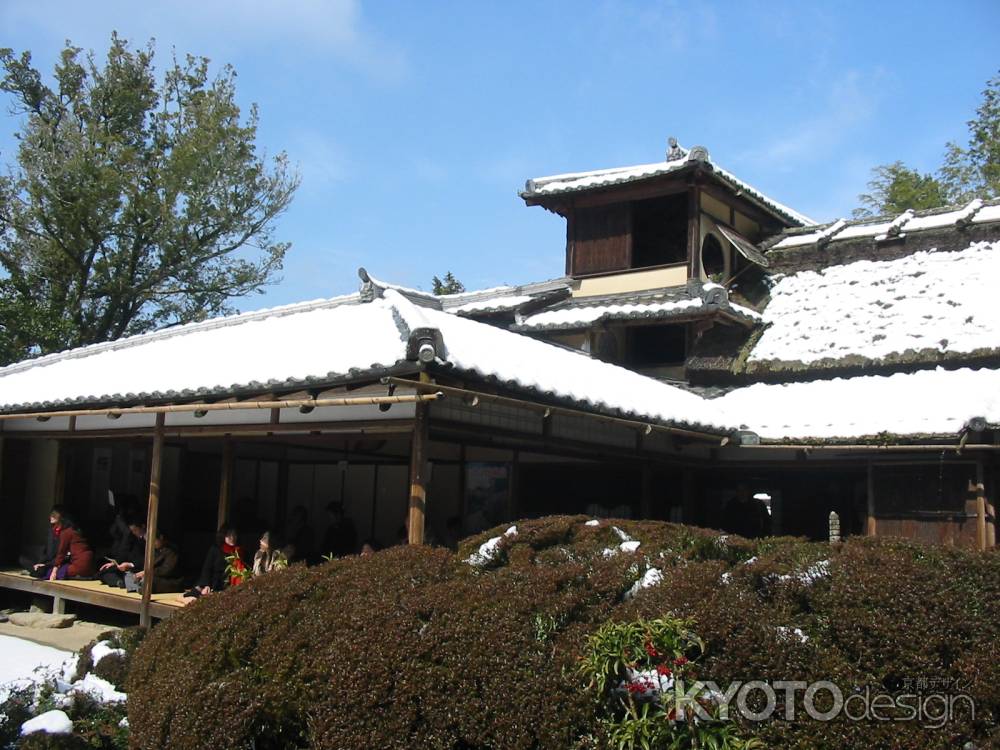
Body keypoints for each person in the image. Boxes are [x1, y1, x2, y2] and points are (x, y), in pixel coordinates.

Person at [181, 527, 245, 603]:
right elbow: (207, 568)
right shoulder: (215, 549)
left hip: (231, 584)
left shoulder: (240, 551)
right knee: (197, 595)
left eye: (234, 535)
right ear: (223, 536)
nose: (232, 538)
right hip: (214, 582)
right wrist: (206, 585)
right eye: (229, 535)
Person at [45, 512, 96, 580]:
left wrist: (54, 572)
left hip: (80, 564)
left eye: (56, 524)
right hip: (90, 564)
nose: (54, 527)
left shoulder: (66, 532)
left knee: (48, 572)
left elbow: (61, 553)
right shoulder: (75, 530)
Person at [19, 505, 66, 578]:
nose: (51, 516)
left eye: (54, 514)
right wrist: (40, 563)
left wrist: (46, 565)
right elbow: (45, 551)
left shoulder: (66, 533)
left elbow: (63, 556)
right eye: (51, 514)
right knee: (22, 559)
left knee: (40, 572)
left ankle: (32, 571)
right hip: (46, 560)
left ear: (61, 516)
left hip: (54, 563)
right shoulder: (50, 531)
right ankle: (33, 569)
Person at [98, 520, 146, 588]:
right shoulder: (134, 538)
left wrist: (130, 565)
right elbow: (126, 553)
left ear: (143, 527)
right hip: (128, 565)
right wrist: (116, 562)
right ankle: (119, 582)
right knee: (105, 571)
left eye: (135, 530)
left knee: (129, 575)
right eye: (132, 531)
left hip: (139, 568)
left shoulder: (148, 540)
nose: (134, 532)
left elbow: (145, 559)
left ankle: (124, 582)